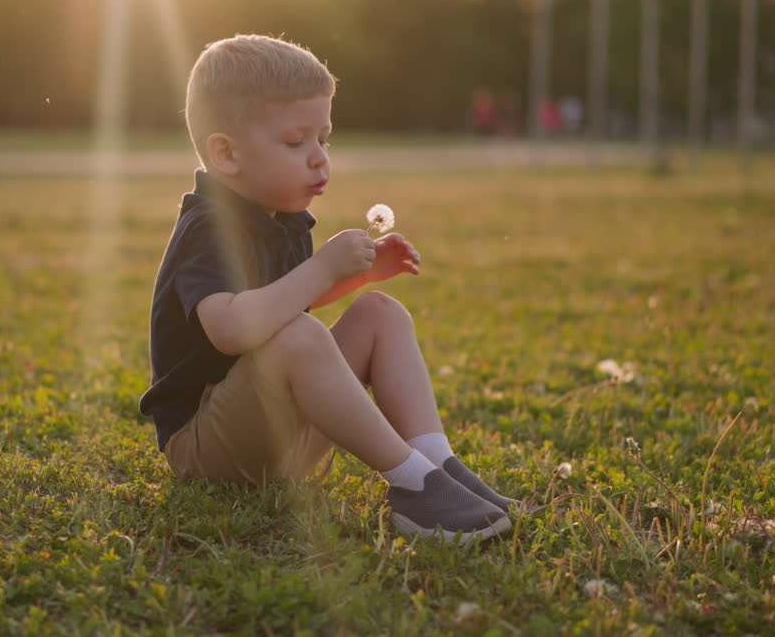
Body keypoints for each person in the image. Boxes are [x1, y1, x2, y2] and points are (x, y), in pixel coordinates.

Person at [140, 35, 519, 543]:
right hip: (207, 445)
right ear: (227, 154)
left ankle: (437, 464)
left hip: (276, 432)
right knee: (299, 338)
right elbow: (232, 329)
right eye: (297, 142)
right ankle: (411, 486)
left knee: (379, 313)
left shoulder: (284, 219)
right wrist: (322, 268)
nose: (319, 158)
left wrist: (358, 277)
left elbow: (286, 301)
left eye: (324, 139)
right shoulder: (209, 229)